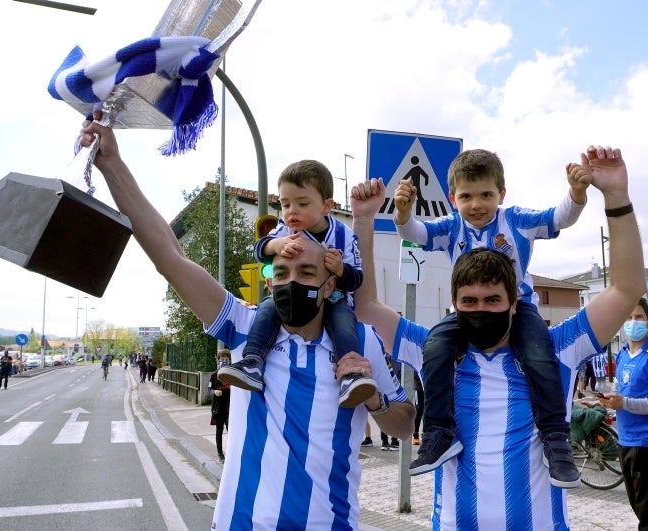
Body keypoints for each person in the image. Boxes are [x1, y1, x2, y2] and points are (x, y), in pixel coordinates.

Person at [79, 113, 415, 529]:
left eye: (307, 274)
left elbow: (404, 425)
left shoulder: (360, 345)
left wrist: (374, 399)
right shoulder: (243, 325)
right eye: (281, 274)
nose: (290, 282)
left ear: (330, 285)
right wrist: (111, 163)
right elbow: (169, 256)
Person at [353, 145, 647, 529]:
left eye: (493, 299)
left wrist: (616, 197)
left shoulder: (557, 349)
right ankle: (438, 436)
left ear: (514, 303)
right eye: (469, 301)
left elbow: (627, 289)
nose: (481, 310)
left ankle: (559, 443)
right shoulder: (433, 349)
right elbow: (366, 306)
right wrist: (363, 219)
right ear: (454, 305)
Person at [393, 148, 589, 485]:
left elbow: (559, 218)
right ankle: (439, 433)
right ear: (453, 198)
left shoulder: (516, 220)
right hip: (465, 313)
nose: (476, 204)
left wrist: (576, 193)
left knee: (541, 356)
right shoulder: (451, 226)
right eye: (466, 196)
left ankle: (556, 439)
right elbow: (415, 235)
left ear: (501, 193)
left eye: (486, 194)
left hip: (518, 309)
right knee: (435, 348)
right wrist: (402, 213)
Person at [217, 159, 377, 408]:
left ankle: (350, 373)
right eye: (285, 204)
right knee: (267, 308)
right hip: (292, 298)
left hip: (332, 298)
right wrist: (275, 245)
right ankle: (253, 362)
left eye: (302, 204)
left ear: (327, 206)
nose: (291, 211)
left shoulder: (344, 235)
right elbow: (259, 250)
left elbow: (357, 278)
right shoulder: (283, 229)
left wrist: (340, 269)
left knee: (344, 321)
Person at [597, 299, 648, 530]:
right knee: (642, 509)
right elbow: (619, 388)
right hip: (625, 439)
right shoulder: (623, 354)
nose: (633, 322)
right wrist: (609, 401)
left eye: (638, 317)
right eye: (628, 317)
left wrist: (625, 403)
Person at [210, 349, 232, 462]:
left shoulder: (232, 375)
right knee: (219, 430)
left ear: (230, 361)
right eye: (222, 360)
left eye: (226, 360)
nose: (224, 361)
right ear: (218, 361)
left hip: (230, 408)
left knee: (231, 430)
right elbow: (209, 390)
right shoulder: (214, 376)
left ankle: (232, 452)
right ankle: (220, 453)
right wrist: (214, 391)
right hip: (218, 408)